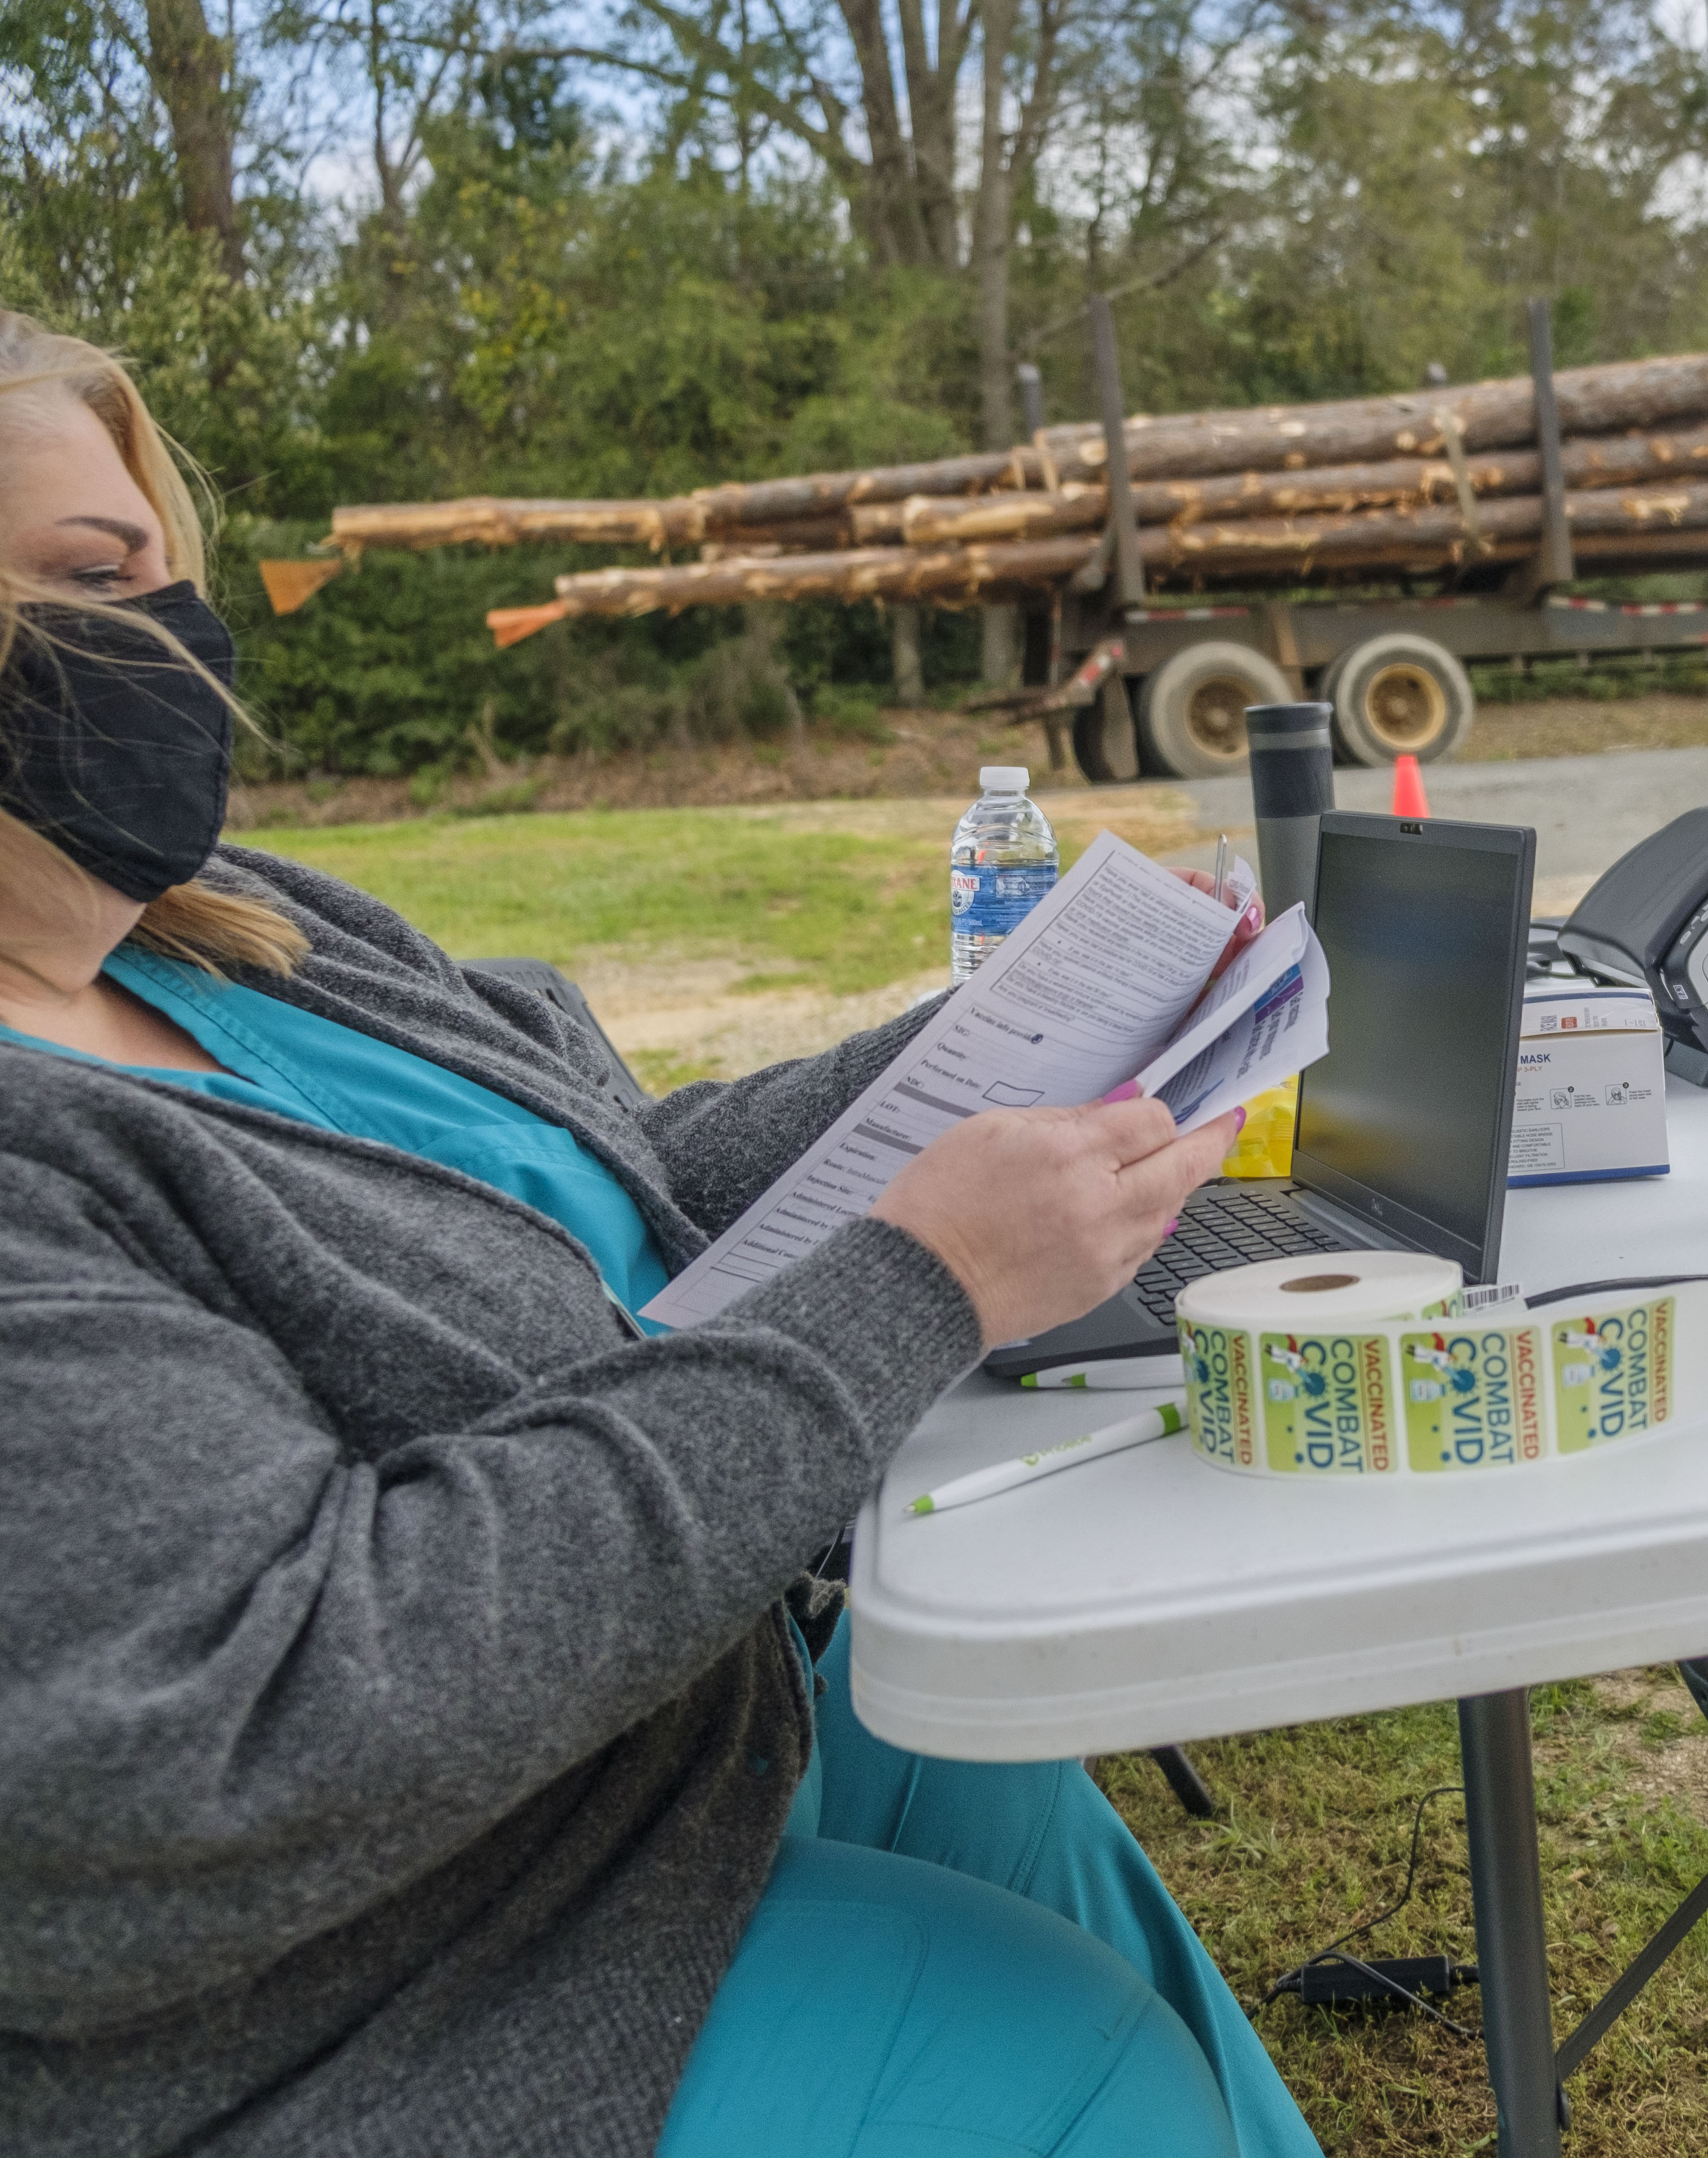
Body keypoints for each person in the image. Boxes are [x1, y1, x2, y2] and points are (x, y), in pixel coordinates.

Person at [0, 314, 1323, 2158]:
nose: (151, 646)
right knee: (1073, 2054)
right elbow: (249, 1726)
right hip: (348, 1991)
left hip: (652, 1711)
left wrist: (992, 1046)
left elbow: (623, 1177)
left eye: (151, 576)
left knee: (991, 1785)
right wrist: (921, 1282)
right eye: (78, 583)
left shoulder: (232, 933)